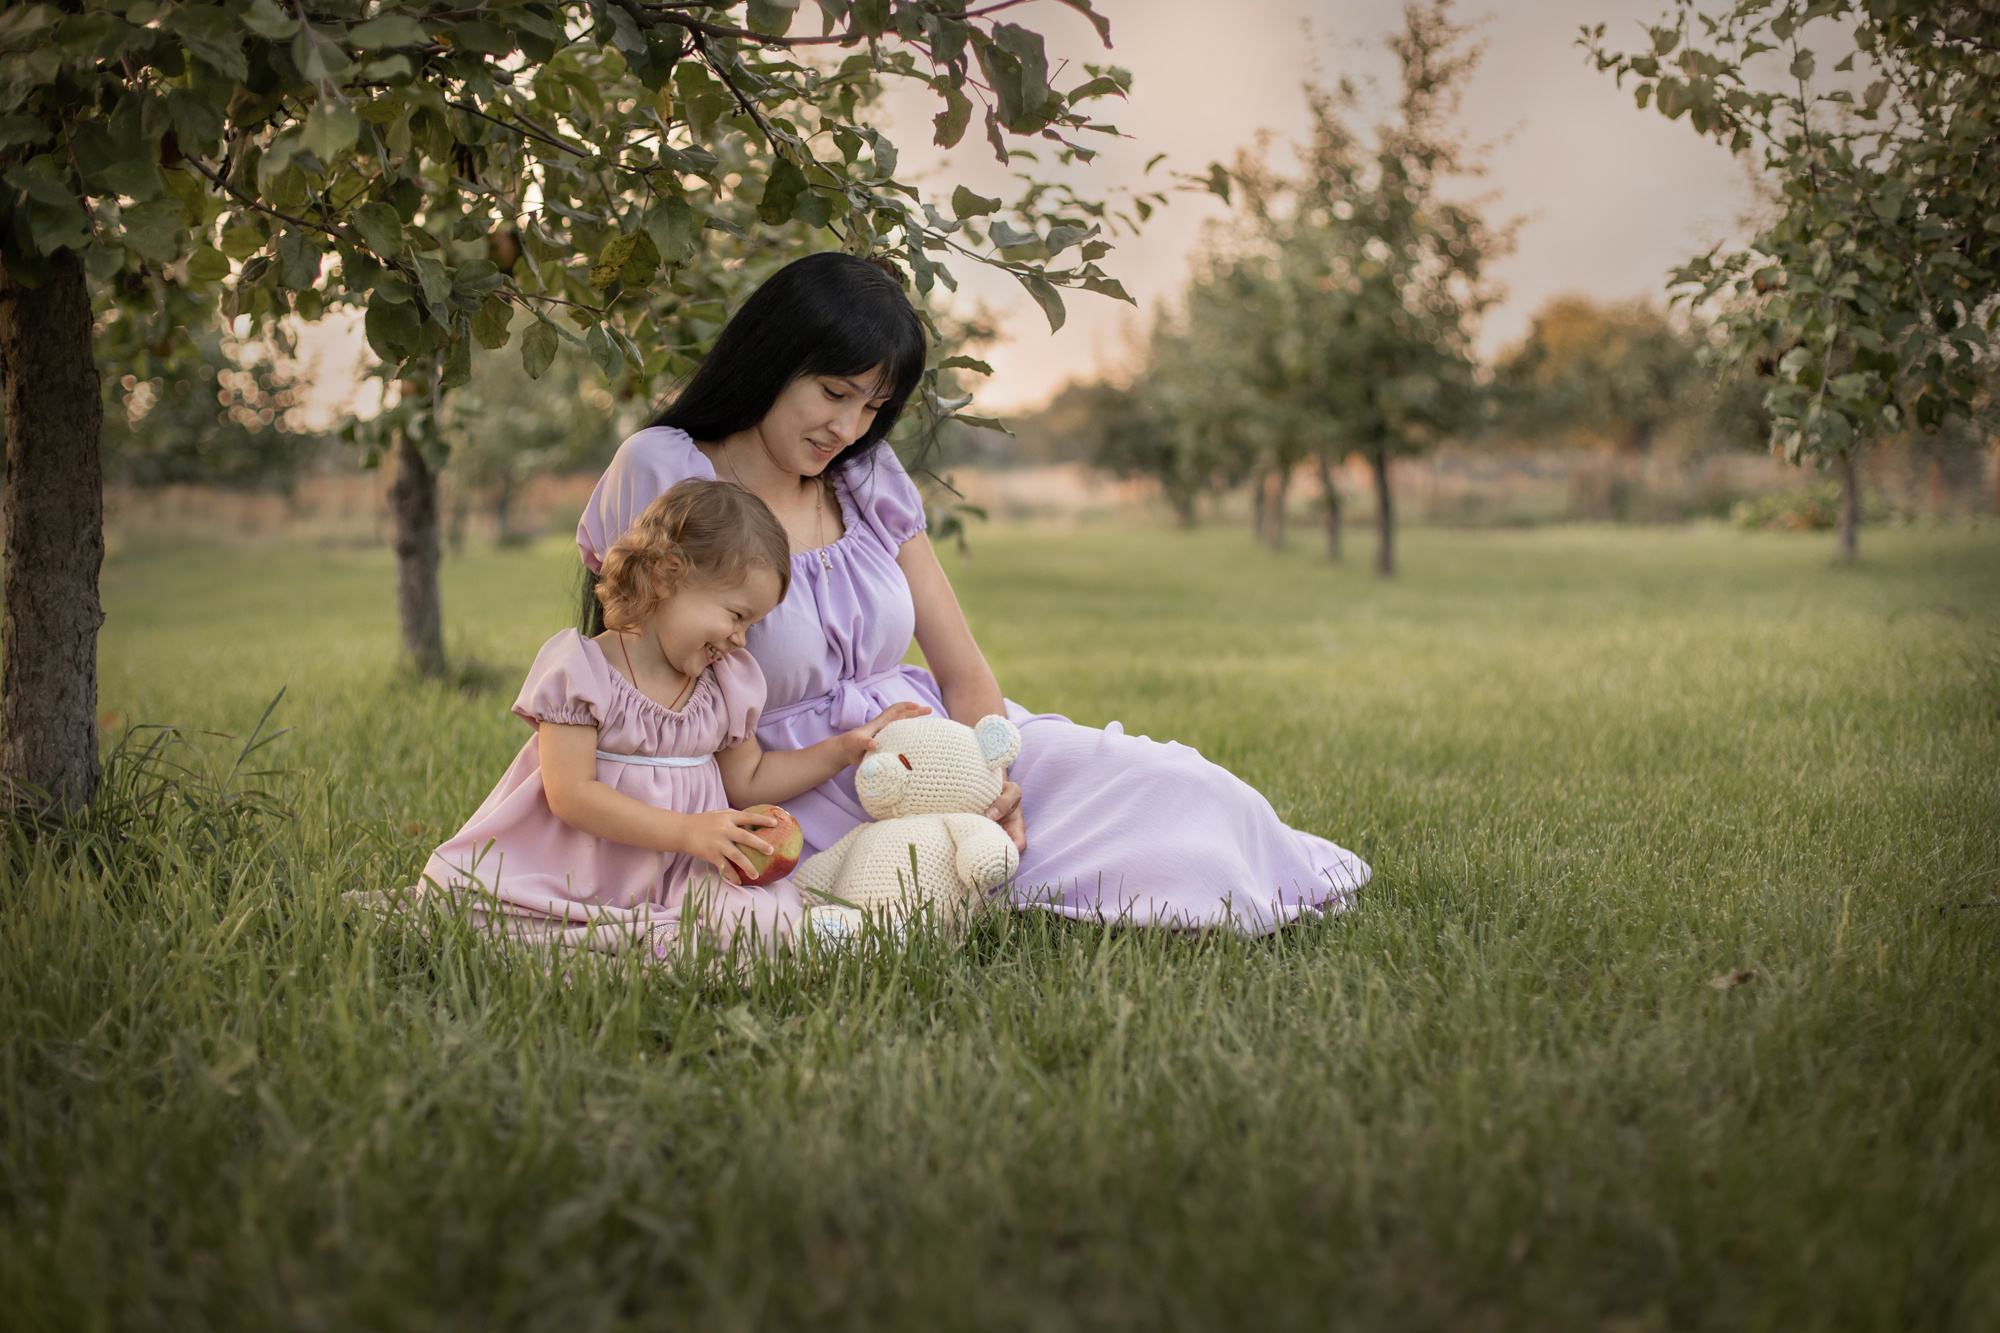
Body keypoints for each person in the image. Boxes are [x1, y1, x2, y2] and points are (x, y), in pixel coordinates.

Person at [577, 252, 1371, 933]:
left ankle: (1272, 874)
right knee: (950, 876)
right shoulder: (665, 469)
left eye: (873, 407)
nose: (848, 427)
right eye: (834, 391)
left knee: (1176, 787)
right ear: (771, 357)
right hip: (794, 789)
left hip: (945, 750)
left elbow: (959, 666)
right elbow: (626, 676)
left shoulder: (863, 477)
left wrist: (997, 782)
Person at [417, 478, 923, 955]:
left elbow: (748, 780)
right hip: (575, 873)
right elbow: (570, 795)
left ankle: (835, 936)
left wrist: (840, 750)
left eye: (753, 624)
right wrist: (686, 831)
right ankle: (632, 935)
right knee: (482, 913)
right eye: (736, 615)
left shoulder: (726, 682)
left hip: (683, 873)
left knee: (753, 919)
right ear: (666, 578)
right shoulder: (582, 672)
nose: (741, 639)